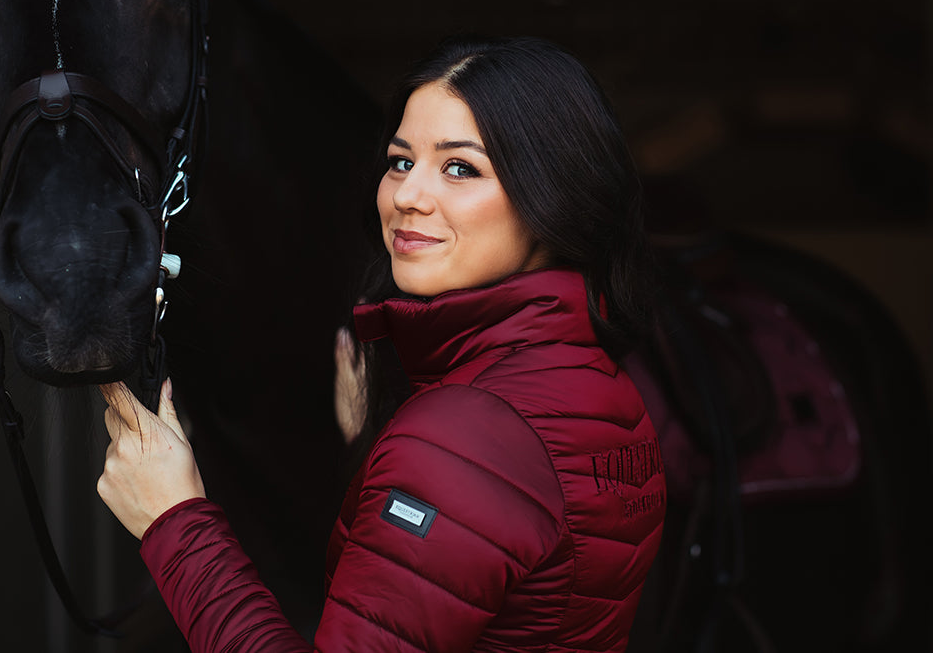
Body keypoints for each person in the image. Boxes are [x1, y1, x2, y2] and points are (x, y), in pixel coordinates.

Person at [98, 35, 667, 652]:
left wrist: (173, 520)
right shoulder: (598, 386)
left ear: (555, 196)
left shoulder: (462, 437)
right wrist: (378, 448)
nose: (406, 196)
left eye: (459, 167)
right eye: (401, 161)